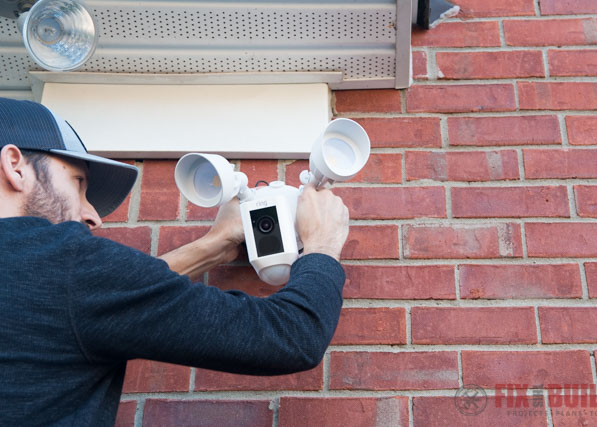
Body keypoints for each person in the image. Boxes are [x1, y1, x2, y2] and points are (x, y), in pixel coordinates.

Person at [0, 97, 350, 426]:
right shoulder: (70, 266)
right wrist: (322, 242)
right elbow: (290, 337)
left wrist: (212, 247)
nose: (93, 217)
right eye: (78, 183)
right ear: (16, 167)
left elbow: (109, 306)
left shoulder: (63, 282)